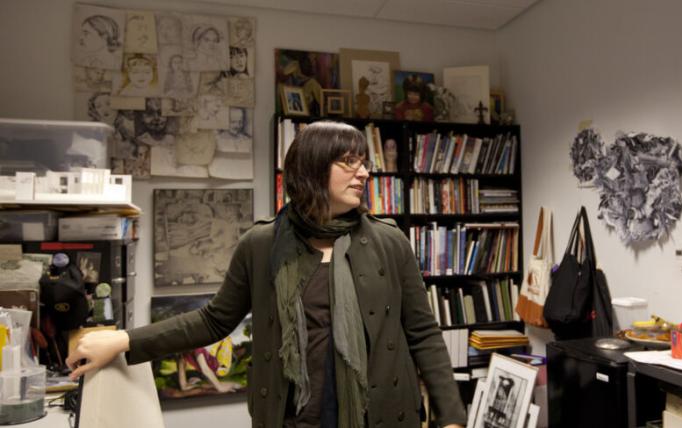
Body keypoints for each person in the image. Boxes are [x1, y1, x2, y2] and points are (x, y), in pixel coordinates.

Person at [67, 121, 466, 428]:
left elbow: (423, 332)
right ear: (311, 168)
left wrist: (451, 416)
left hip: (378, 415)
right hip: (292, 416)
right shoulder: (261, 244)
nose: (363, 173)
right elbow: (214, 319)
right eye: (349, 162)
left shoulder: (388, 242)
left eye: (364, 163)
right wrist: (121, 341)